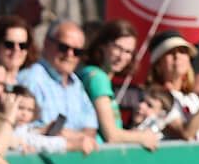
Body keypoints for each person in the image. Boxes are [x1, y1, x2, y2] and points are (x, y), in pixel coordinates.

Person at [17, 20, 101, 154]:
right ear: (46, 43)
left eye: (77, 51)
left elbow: (90, 127)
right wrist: (72, 138)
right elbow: (22, 131)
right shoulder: (30, 79)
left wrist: (72, 136)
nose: (70, 55)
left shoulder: (76, 84)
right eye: (63, 47)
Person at [79, 21, 161, 151]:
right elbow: (112, 136)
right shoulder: (98, 78)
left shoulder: (94, 75)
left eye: (128, 52)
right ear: (103, 45)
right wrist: (143, 137)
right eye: (117, 48)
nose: (122, 57)